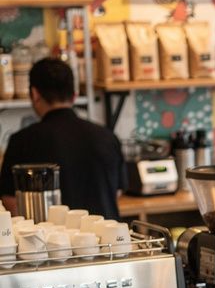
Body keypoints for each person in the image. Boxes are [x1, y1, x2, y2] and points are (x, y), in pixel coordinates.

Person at [0, 57, 124, 219]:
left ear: (35, 94)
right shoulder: (108, 137)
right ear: (74, 95)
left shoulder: (22, 141)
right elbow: (117, 192)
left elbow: (10, 201)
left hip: (52, 243)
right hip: (108, 240)